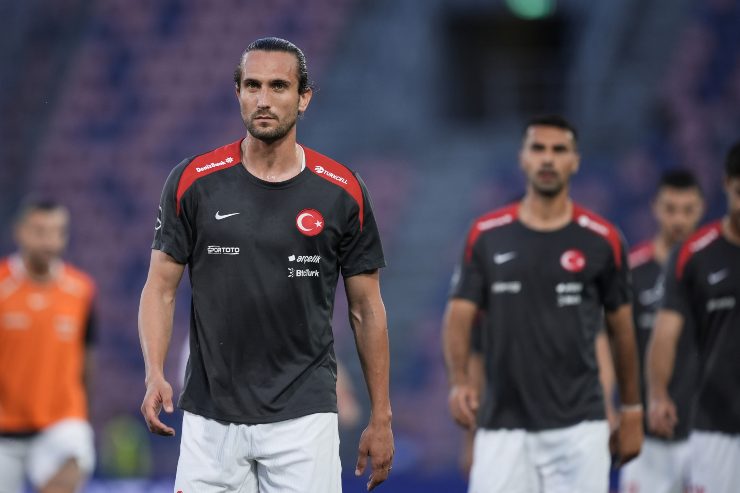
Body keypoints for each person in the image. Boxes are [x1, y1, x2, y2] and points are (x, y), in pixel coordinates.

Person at [138, 37, 393, 493]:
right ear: (237, 92)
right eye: (252, 85)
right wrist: (154, 371)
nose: (263, 99)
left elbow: (366, 308)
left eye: (279, 86)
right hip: (210, 416)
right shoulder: (192, 181)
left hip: (304, 415)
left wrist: (381, 414)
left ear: (304, 97)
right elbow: (160, 287)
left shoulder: (342, 190)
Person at [443, 115, 643, 493]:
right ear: (523, 158)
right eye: (538, 148)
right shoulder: (486, 235)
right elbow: (459, 315)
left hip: (580, 426)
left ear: (575, 160)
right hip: (502, 426)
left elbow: (621, 329)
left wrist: (632, 408)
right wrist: (459, 382)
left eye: (559, 150)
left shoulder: (603, 239)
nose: (548, 159)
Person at [647, 142, 740, 492]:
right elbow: (665, 335)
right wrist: (657, 393)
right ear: (726, 184)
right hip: (713, 428)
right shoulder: (693, 255)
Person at [0, 200, 97, 493]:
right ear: (20, 232)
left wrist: (82, 413)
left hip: (61, 421)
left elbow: (87, 359)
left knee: (70, 469)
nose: (50, 241)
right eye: (40, 231)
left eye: (58, 232)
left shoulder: (81, 290)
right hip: (4, 427)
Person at [618, 170, 704, 493]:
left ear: (702, 207)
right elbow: (613, 343)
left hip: (706, 432)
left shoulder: (718, 270)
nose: (679, 219)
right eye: (670, 209)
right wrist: (611, 408)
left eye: (688, 209)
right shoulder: (632, 271)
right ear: (655, 207)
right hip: (646, 438)